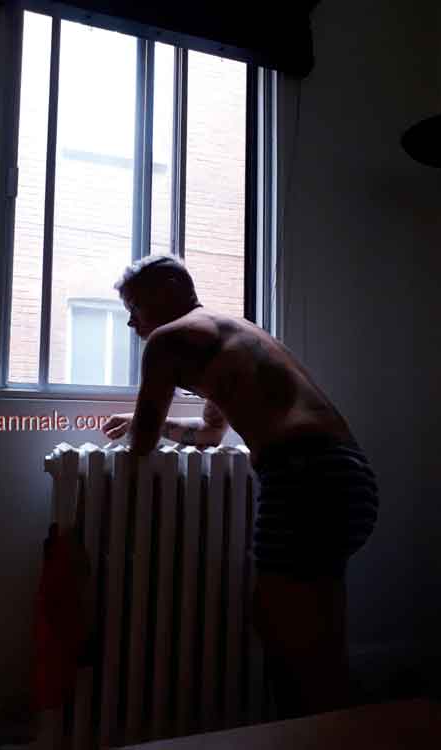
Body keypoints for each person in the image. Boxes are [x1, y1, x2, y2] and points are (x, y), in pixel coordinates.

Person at [101, 254, 379, 721]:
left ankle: (309, 735)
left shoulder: (168, 341)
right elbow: (211, 434)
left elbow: (141, 444)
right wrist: (143, 420)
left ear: (170, 287)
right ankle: (336, 729)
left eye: (134, 307)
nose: (132, 323)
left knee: (283, 632)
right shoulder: (233, 333)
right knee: (318, 636)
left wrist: (139, 427)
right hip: (346, 477)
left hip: (302, 479)